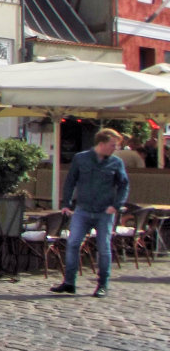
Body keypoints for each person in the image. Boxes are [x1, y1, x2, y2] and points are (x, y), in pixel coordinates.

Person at [50, 127, 130, 299]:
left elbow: (124, 185)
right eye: (112, 145)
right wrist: (67, 203)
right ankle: (69, 282)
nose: (115, 148)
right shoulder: (81, 158)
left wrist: (116, 205)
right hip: (83, 209)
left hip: (104, 211)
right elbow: (70, 181)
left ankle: (102, 285)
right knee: (73, 243)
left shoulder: (116, 163)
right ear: (101, 144)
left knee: (103, 248)